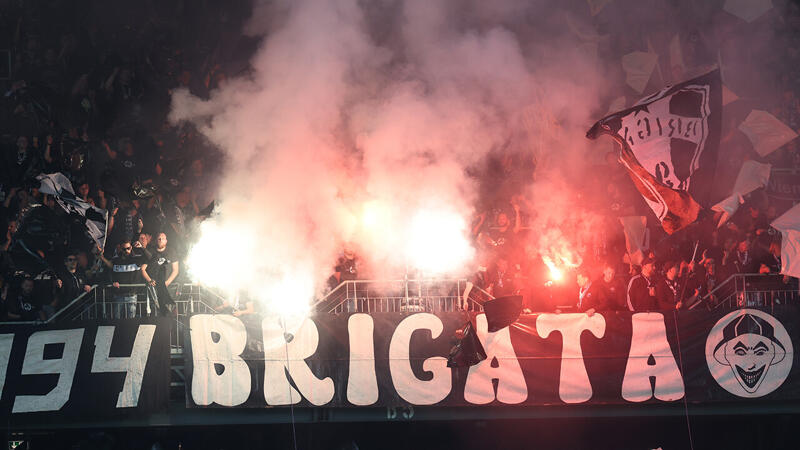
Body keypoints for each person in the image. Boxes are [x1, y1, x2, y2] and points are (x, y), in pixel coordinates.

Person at [140, 232, 179, 316]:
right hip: (154, 289)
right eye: (159, 239)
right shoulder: (150, 251)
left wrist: (167, 282)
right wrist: (149, 280)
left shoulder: (171, 251)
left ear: (166, 241)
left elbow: (175, 270)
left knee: (169, 312)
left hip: (169, 288)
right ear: (156, 240)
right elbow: (142, 269)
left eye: (163, 239)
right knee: (155, 313)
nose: (161, 240)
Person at [109, 240, 143, 318]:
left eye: (128, 248)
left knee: (131, 320)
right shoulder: (116, 260)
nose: (126, 251)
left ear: (131, 247)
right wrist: (113, 282)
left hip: (131, 295)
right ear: (121, 249)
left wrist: (142, 248)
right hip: (119, 294)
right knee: (116, 319)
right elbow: (110, 273)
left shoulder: (136, 259)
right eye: (124, 249)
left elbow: (151, 258)